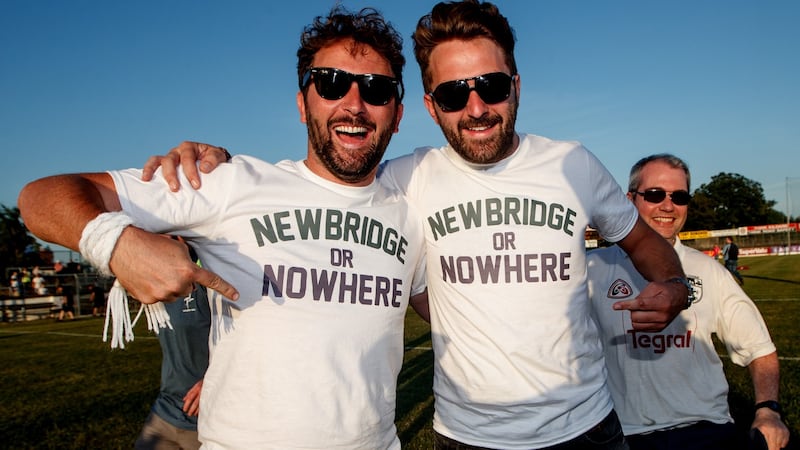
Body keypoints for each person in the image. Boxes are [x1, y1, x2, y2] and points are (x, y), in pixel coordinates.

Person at [145, 1, 694, 448]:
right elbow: (326, 184)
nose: (476, 107)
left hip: (587, 428)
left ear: (517, 86)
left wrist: (674, 286)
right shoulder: (405, 179)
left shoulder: (573, 164)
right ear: (431, 107)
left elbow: (642, 237)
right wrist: (216, 160)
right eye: (456, 94)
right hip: (468, 437)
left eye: (492, 86)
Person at [19, 6, 427, 449]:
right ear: (301, 103)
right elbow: (42, 196)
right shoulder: (229, 182)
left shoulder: (410, 210)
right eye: (330, 84)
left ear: (398, 114)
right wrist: (116, 242)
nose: (354, 104)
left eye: (376, 89)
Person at [587, 154, 789, 450]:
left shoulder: (711, 271)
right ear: (630, 199)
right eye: (655, 194)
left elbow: (760, 350)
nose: (668, 206)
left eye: (679, 197)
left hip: (703, 430)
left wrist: (768, 410)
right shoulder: (591, 267)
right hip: (620, 434)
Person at [135, 241, 211, 450]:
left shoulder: (207, 276)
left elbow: (250, 337)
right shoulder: (160, 284)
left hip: (206, 419)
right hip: (164, 412)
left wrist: (214, 378)